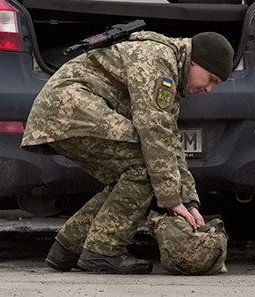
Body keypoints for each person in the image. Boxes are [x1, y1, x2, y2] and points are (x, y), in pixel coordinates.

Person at [21, 30, 234, 274]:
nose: (208, 89)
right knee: (145, 169)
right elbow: (154, 133)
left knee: (132, 176)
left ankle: (68, 247)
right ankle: (104, 250)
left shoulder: (170, 68)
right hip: (70, 109)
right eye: (210, 79)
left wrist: (190, 202)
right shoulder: (159, 61)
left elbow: (170, 141)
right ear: (196, 62)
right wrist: (172, 200)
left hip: (64, 113)